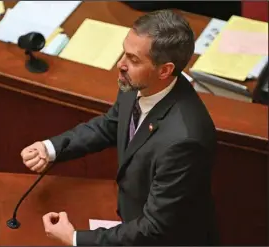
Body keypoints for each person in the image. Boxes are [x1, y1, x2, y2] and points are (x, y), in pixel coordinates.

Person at [21, 10, 218, 246]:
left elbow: (155, 228)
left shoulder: (185, 140)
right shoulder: (138, 83)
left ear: (165, 70)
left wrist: (75, 239)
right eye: (124, 52)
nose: (120, 65)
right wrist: (50, 148)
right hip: (131, 219)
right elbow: (110, 125)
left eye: (133, 59)